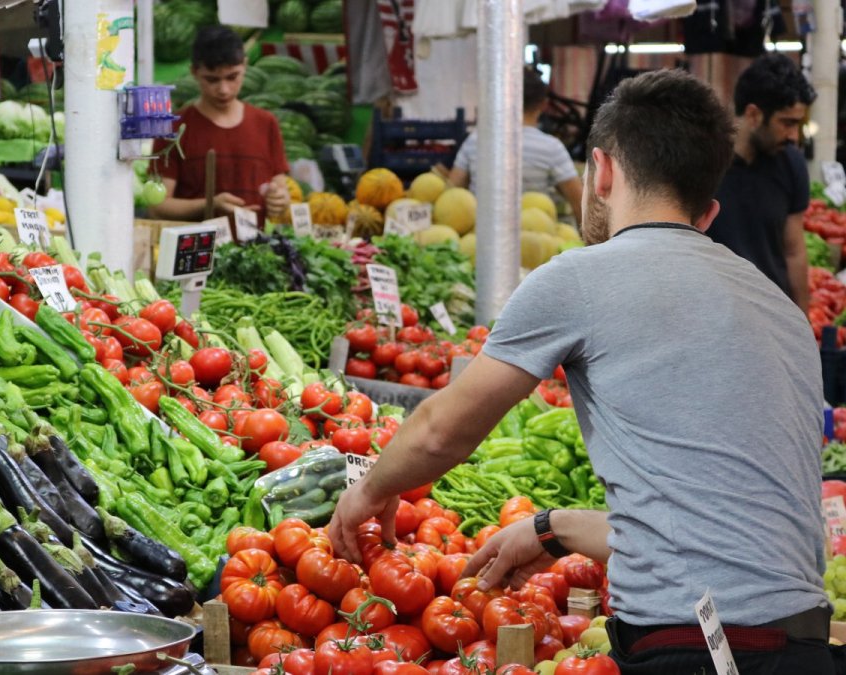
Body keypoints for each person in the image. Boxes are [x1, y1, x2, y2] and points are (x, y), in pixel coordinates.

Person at [328, 69, 835, 673]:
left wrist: (372, 490)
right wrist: (551, 529)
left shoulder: (580, 278)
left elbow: (443, 430)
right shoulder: (777, 305)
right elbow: (713, 525)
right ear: (709, 209)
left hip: (691, 647)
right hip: (804, 644)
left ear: (603, 169)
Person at [706, 53, 816, 313]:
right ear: (754, 114)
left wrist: (802, 323)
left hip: (772, 314)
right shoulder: (704, 163)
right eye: (787, 123)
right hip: (714, 314)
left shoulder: (792, 164)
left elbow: (794, 252)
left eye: (798, 124)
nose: (793, 136)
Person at [149, 26, 290, 224]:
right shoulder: (172, 129)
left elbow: (279, 185)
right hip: (195, 250)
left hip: (256, 249)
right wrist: (210, 204)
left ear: (245, 66)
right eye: (212, 79)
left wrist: (280, 198)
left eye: (232, 77)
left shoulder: (266, 123)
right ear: (194, 72)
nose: (223, 89)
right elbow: (158, 206)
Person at [443, 67, 583, 226]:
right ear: (544, 104)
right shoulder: (551, 148)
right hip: (536, 239)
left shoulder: (475, 140)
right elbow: (579, 202)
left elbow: (451, 194)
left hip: (481, 238)